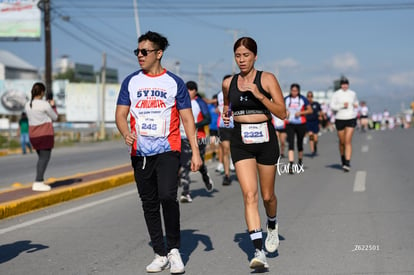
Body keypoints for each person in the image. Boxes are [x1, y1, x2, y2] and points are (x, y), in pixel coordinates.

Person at [115, 31, 202, 274]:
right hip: (140, 152)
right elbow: (121, 115)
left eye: (145, 51)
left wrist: (195, 152)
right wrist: (125, 132)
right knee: (149, 202)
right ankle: (159, 253)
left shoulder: (174, 82)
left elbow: (187, 118)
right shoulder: (131, 82)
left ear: (159, 53)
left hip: (168, 149)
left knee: (167, 196)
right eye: (138, 51)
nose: (140, 56)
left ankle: (174, 250)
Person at [222, 37, 286, 270]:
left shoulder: (267, 79)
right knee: (250, 195)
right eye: (238, 56)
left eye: (246, 55)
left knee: (267, 196)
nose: (242, 60)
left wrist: (259, 95)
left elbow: (283, 112)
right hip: (241, 140)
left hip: (266, 139)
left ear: (255, 56)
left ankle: (272, 223)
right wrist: (227, 115)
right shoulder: (229, 83)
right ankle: (259, 252)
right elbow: (226, 106)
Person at [179, 80, 214, 203]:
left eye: (191, 89)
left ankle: (205, 176)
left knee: (199, 163)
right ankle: (185, 193)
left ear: (195, 91)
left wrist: (194, 125)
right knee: (185, 164)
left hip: (198, 137)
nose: (188, 92)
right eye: (186, 89)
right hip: (183, 137)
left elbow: (208, 119)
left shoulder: (200, 103)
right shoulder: (180, 101)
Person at [25, 82, 58, 191]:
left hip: (33, 135)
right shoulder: (45, 105)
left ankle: (39, 180)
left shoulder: (27, 104)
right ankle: (38, 181)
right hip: (44, 134)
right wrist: (53, 106)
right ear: (42, 92)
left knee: (41, 158)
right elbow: (55, 117)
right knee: (44, 158)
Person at [330, 76, 358, 172]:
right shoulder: (336, 94)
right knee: (342, 142)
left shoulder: (352, 93)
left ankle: (347, 162)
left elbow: (356, 102)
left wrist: (355, 105)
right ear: (341, 85)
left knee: (347, 141)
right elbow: (332, 107)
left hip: (351, 117)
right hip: (340, 118)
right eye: (343, 84)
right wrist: (342, 105)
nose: (345, 86)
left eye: (346, 84)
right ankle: (342, 157)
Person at [284, 84, 313, 174]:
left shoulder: (302, 99)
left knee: (299, 143)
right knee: (291, 143)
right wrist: (286, 112)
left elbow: (310, 110)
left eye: (296, 91)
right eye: (292, 90)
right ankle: (291, 164)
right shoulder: (286, 99)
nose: (294, 92)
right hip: (290, 124)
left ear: (298, 91)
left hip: (301, 123)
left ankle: (300, 161)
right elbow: (281, 109)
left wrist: (301, 113)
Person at [217, 74, 235, 186]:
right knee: (226, 149)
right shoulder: (219, 95)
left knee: (238, 150)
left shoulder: (238, 94)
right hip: (224, 125)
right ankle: (227, 175)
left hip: (237, 125)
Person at [305, 91, 322, 156]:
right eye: (308, 96)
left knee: (315, 138)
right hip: (308, 122)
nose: (309, 98)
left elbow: (320, 111)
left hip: (315, 122)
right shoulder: (306, 105)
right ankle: (312, 150)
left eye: (311, 96)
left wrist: (321, 116)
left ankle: (315, 146)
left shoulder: (316, 104)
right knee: (310, 135)